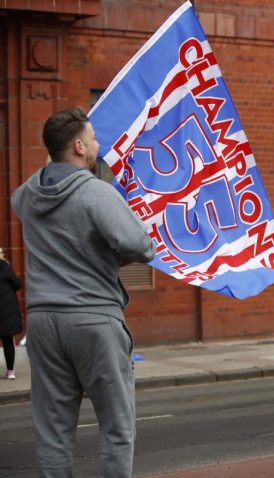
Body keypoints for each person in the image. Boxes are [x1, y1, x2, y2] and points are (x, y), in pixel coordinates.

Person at [11, 108, 156, 477]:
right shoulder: (96, 193)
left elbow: (20, 197)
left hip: (43, 323)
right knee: (117, 427)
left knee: (53, 432)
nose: (97, 145)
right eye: (92, 139)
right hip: (94, 320)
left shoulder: (28, 195)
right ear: (78, 146)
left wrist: (50, 164)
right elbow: (140, 244)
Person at [0, 246, 23, 380]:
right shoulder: (4, 266)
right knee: (8, 340)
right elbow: (18, 284)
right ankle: (10, 371)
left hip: (5, 310)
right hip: (6, 310)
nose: (3, 254)